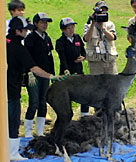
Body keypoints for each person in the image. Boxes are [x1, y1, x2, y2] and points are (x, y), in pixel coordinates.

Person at [7, 16, 65, 161]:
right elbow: (33, 67)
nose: (27, 32)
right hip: (12, 89)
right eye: (25, 30)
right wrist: (51, 77)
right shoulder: (19, 48)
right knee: (13, 120)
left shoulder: (4, 43)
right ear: (17, 31)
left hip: (6, 87)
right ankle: (12, 153)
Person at [83, 1, 119, 113]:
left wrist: (103, 28)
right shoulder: (88, 25)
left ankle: (115, 110)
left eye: (105, 11)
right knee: (97, 87)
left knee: (113, 86)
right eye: (100, 11)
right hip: (95, 61)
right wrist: (93, 23)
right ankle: (98, 112)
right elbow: (86, 39)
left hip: (109, 60)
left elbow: (112, 37)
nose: (103, 13)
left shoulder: (110, 24)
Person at [23, 13, 55, 137]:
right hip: (33, 75)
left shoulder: (47, 37)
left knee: (43, 102)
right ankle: (28, 132)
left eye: (46, 22)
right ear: (36, 24)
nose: (45, 25)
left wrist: (51, 73)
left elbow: (50, 56)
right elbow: (27, 57)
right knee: (34, 102)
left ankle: (40, 131)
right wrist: (29, 72)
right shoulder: (30, 38)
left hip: (45, 74)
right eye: (42, 22)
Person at [55, 17, 89, 117]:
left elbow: (83, 50)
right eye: (68, 28)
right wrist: (66, 70)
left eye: (73, 27)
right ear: (63, 30)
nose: (71, 30)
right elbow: (62, 57)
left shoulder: (77, 37)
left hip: (79, 69)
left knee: (84, 92)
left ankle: (84, 115)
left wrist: (83, 57)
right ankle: (66, 116)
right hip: (67, 70)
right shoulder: (60, 41)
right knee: (67, 95)